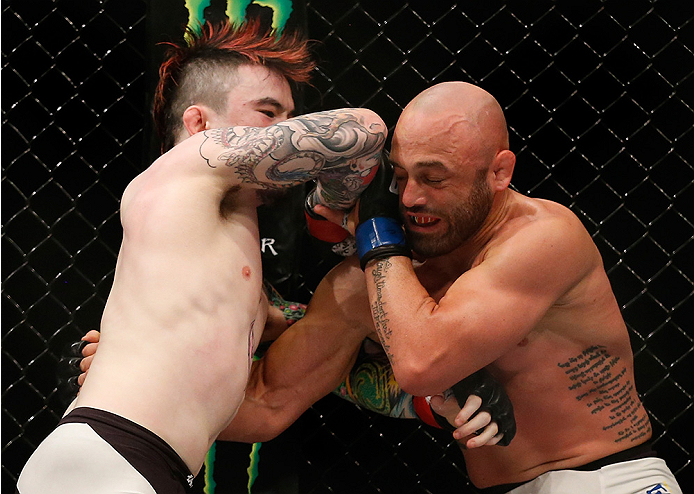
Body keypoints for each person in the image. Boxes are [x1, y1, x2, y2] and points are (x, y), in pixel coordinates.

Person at [16, 20, 388, 494]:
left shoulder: (224, 245)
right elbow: (364, 129)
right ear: (199, 124)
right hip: (112, 457)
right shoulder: (187, 165)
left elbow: (296, 330)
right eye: (268, 112)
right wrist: (329, 206)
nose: (286, 129)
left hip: (143, 463)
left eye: (290, 115)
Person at [312, 81, 682, 493]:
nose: (411, 197)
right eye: (400, 177)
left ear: (500, 172)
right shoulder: (403, 269)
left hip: (607, 478)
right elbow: (269, 404)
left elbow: (420, 364)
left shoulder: (544, 237)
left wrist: (375, 235)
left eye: (434, 178)